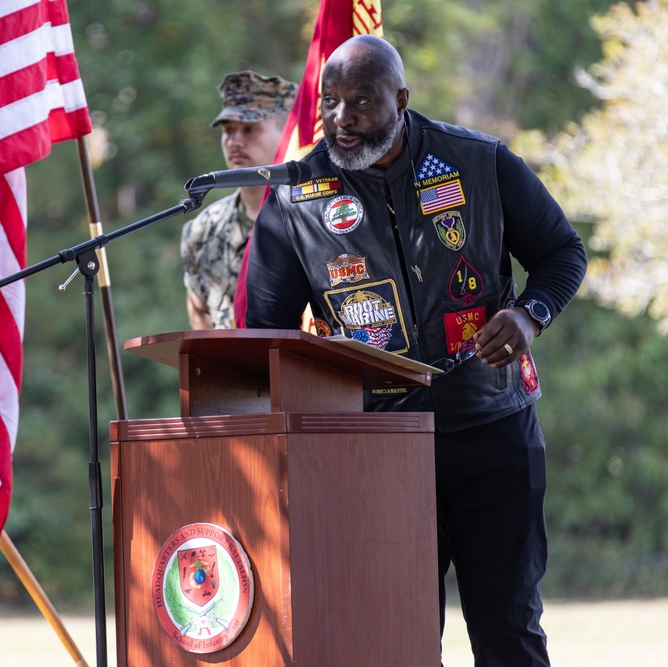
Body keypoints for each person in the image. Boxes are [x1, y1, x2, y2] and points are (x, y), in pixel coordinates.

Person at [244, 35, 587, 666]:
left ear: (402, 100)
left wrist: (529, 315)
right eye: (330, 101)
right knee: (393, 637)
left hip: (494, 434)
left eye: (363, 101)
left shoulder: (480, 163)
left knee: (508, 627)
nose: (343, 118)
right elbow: (263, 333)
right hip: (378, 450)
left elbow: (562, 253)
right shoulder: (296, 196)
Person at [180, 70, 297, 329]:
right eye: (228, 130)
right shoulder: (203, 229)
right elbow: (201, 319)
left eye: (249, 129)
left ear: (286, 132)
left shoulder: (310, 219)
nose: (234, 141)